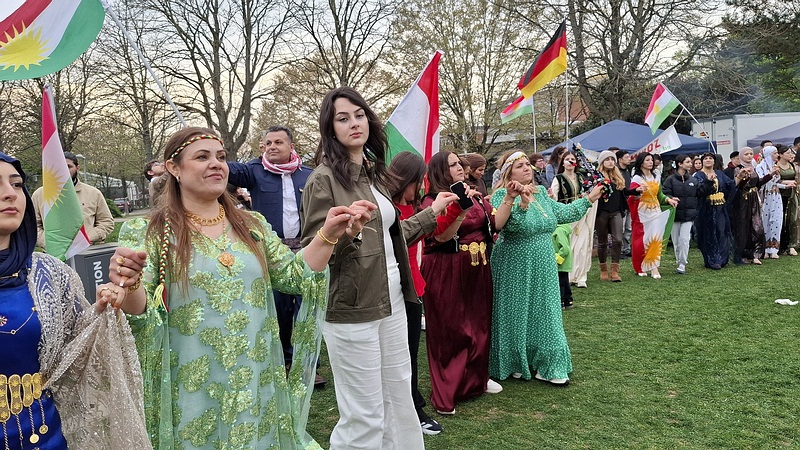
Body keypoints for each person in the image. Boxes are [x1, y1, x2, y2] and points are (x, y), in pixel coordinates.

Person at [112, 126, 356, 449]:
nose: (216, 164)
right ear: (174, 168)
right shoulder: (150, 231)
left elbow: (295, 276)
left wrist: (328, 235)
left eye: (221, 157)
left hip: (255, 379)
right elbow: (143, 312)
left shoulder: (252, 226)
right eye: (202, 157)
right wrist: (130, 284)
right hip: (192, 386)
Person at [299, 87, 458, 450]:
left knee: (399, 396)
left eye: (359, 115)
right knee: (365, 413)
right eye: (343, 118)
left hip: (393, 299)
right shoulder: (323, 179)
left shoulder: (374, 174)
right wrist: (347, 233)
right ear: (330, 128)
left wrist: (432, 213)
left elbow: (390, 236)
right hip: (352, 308)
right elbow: (314, 255)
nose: (353, 123)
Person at [0, 152, 150, 449]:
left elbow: (74, 352)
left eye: (16, 184)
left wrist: (101, 311)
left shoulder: (49, 274)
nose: (9, 193)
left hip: (44, 436)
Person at [489, 151, 603, 385]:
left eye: (527, 164)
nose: (527, 168)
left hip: (543, 262)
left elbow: (563, 213)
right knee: (516, 310)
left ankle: (549, 363)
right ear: (509, 173)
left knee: (546, 311)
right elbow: (510, 227)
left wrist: (589, 198)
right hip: (515, 262)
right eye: (520, 166)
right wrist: (521, 203)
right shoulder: (501, 195)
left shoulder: (540, 193)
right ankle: (515, 361)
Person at [227, 125, 326, 387]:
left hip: (307, 251)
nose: (272, 147)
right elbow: (227, 170)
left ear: (291, 146)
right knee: (280, 310)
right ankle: (284, 360)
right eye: (267, 143)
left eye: (278, 142)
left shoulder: (309, 176)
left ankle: (309, 365)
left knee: (307, 309)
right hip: (273, 254)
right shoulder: (254, 172)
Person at [422, 150, 500, 416]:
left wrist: (506, 200)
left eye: (459, 163)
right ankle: (446, 392)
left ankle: (476, 381)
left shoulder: (472, 193)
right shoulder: (432, 201)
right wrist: (460, 208)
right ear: (440, 171)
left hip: (478, 265)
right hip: (447, 267)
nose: (459, 167)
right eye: (452, 164)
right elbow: (441, 237)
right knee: (451, 330)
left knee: (479, 323)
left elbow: (492, 225)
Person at [386, 151, 443, 435]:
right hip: (394, 289)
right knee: (400, 354)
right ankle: (410, 409)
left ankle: (411, 407)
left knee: (409, 353)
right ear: (406, 179)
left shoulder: (412, 206)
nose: (420, 187)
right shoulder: (387, 208)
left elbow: (432, 234)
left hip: (413, 288)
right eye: (418, 180)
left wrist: (454, 209)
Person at [32, 151, 114, 248]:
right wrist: (48, 243)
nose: (63, 170)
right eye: (59, 166)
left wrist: (87, 238)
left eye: (68, 166)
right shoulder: (39, 195)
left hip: (86, 251)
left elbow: (107, 222)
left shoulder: (93, 193)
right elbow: (32, 226)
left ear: (77, 168)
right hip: (53, 253)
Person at [550, 151, 597, 288]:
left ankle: (581, 276)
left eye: (572, 159)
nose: (570, 161)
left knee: (582, 244)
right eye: (567, 159)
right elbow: (554, 196)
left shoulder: (581, 178)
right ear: (563, 162)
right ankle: (569, 275)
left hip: (582, 215)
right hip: (566, 216)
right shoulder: (558, 178)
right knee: (569, 245)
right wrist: (551, 197)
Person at [628, 152, 679, 278]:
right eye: (647, 160)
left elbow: (659, 194)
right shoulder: (637, 179)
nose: (651, 162)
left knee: (656, 238)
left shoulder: (656, 176)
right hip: (642, 213)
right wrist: (637, 193)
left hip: (655, 211)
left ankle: (654, 267)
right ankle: (640, 266)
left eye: (651, 160)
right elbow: (631, 197)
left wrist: (668, 200)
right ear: (641, 163)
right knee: (642, 241)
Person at [730, 146, 773, 265]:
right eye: (746, 154)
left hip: (754, 199)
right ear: (741, 156)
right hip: (743, 200)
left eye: (751, 154)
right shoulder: (738, 169)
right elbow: (738, 185)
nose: (749, 156)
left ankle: (756, 254)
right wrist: (744, 177)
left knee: (757, 226)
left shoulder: (753, 168)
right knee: (744, 227)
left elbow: (758, 183)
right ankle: (743, 254)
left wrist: (770, 175)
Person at [692, 152, 735, 270]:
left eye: (710, 158)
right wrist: (708, 181)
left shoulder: (720, 174)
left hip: (720, 207)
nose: (708, 160)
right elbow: (699, 191)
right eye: (706, 158)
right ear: (702, 161)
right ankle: (712, 259)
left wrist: (740, 178)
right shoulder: (698, 175)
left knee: (721, 231)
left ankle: (722, 259)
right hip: (706, 207)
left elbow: (730, 185)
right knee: (708, 233)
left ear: (714, 161)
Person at [595, 150, 629, 282]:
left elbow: (624, 192)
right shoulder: (596, 177)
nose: (610, 162)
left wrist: (635, 191)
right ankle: (603, 269)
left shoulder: (618, 176)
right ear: (602, 162)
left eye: (612, 159)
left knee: (618, 240)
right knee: (602, 242)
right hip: (602, 212)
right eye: (607, 159)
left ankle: (615, 270)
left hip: (616, 211)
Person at [662, 154, 700, 274]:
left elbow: (701, 192)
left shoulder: (693, 180)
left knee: (684, 239)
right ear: (680, 164)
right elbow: (664, 193)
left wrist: (709, 183)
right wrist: (670, 198)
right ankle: (679, 261)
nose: (690, 164)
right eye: (687, 162)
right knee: (676, 241)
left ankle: (683, 263)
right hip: (675, 215)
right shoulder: (670, 180)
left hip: (689, 215)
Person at [756, 145, 783, 259]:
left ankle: (774, 248)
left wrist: (786, 185)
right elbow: (761, 181)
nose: (777, 155)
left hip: (776, 196)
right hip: (765, 196)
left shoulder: (775, 166)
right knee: (765, 221)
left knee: (776, 221)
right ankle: (765, 248)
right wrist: (771, 173)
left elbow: (776, 183)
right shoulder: (760, 167)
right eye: (775, 153)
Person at [774, 145, 799, 255]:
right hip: (780, 194)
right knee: (781, 219)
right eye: (787, 153)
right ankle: (781, 244)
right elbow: (775, 180)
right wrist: (786, 182)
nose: (790, 155)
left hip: (792, 193)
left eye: (790, 153)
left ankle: (791, 244)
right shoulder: (776, 166)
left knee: (792, 218)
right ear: (780, 154)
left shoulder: (791, 165)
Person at [616, 148, 633, 257]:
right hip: (620, 203)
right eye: (626, 157)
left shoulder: (627, 171)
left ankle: (626, 249)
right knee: (620, 228)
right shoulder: (616, 172)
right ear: (620, 159)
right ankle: (620, 250)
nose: (629, 159)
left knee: (628, 228)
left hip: (629, 202)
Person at [552, 223, 573, 308]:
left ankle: (561, 301)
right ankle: (568, 300)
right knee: (564, 281)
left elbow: (565, 249)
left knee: (560, 283)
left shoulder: (559, 230)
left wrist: (556, 260)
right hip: (562, 262)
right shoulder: (559, 230)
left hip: (561, 262)